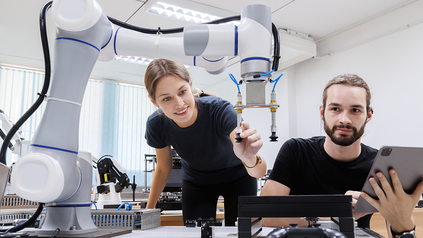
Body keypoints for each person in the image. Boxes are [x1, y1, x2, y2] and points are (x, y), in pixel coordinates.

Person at [260, 74, 423, 237]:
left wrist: (404, 223)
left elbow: (398, 230)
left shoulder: (379, 165)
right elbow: (262, 216)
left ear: (368, 115)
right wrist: (333, 215)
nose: (344, 119)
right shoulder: (296, 151)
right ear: (322, 112)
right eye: (335, 109)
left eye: (355, 110)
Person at [144, 58, 267, 226]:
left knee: (244, 231)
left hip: (239, 177)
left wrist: (248, 158)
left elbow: (259, 172)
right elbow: (164, 167)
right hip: (196, 182)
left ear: (190, 85)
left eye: (182, 92)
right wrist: (149, 209)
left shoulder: (220, 110)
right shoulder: (156, 125)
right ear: (154, 101)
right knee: (194, 232)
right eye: (166, 99)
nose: (179, 104)